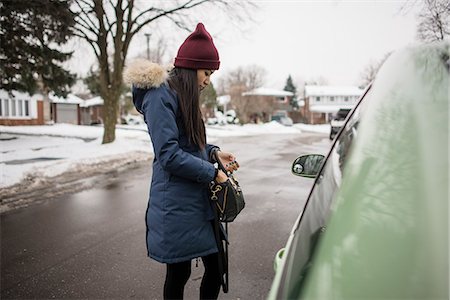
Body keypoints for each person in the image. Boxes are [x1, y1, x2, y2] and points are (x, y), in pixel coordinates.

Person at [124, 23, 239, 300]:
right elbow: (169, 155)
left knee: (217, 265)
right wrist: (213, 174)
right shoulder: (159, 95)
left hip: (196, 201)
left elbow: (189, 144)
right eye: (206, 72)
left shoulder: (183, 94)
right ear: (191, 69)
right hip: (174, 203)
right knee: (179, 274)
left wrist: (212, 153)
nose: (208, 80)